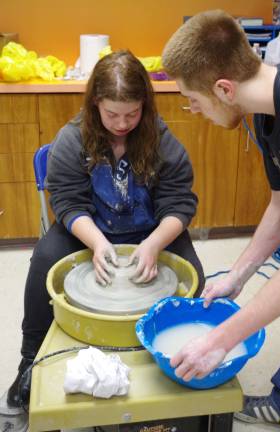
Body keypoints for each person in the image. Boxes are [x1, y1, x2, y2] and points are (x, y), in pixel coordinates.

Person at [162, 9, 280, 432]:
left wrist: (217, 342)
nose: (194, 110)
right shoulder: (264, 110)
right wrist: (239, 275)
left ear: (223, 89)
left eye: (194, 100)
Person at [5, 50, 205, 409]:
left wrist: (154, 243)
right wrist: (97, 244)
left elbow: (179, 204)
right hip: (89, 228)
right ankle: (29, 360)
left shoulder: (161, 140)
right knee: (43, 261)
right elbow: (67, 202)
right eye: (112, 113)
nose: (122, 123)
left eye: (132, 113)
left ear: (145, 104)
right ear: (95, 103)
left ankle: (174, 356)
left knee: (195, 279)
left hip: (150, 229)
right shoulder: (72, 138)